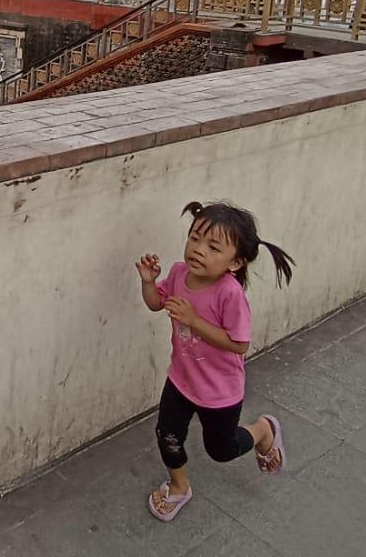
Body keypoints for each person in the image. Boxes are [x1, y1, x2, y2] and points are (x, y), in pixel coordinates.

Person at [136, 201, 295, 522]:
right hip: (181, 379)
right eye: (194, 238)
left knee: (220, 451)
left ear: (235, 262)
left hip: (220, 392)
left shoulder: (229, 294)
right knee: (167, 434)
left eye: (212, 247)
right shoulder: (179, 274)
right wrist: (149, 282)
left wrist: (193, 320)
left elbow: (239, 344)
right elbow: (156, 304)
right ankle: (179, 486)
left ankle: (264, 430)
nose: (197, 250)